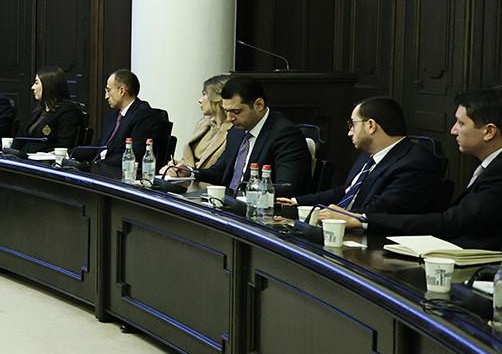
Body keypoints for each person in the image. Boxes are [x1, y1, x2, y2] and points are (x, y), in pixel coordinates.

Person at [319, 88, 502, 249]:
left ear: (489, 132)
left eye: (461, 123)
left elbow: (454, 221)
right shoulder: (490, 166)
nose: (453, 130)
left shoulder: (497, 171)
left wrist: (362, 220)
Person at [280, 97, 445, 214]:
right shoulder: (367, 155)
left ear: (371, 126)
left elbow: (380, 212)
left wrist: (337, 216)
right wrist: (296, 201)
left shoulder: (414, 163)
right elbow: (345, 191)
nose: (349, 132)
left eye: (353, 124)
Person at [167, 74, 312, 195]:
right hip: (228, 204)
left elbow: (287, 188)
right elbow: (220, 171)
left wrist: (243, 194)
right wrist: (190, 172)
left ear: (259, 105)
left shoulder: (285, 135)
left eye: (236, 111)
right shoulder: (236, 131)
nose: (229, 118)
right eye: (226, 111)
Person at [91, 69, 165, 163]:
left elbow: (135, 154)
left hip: (117, 169)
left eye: (108, 90)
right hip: (101, 166)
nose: (106, 96)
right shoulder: (113, 116)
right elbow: (98, 147)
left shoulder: (145, 116)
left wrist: (99, 163)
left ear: (122, 91)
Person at [19, 66, 84, 151]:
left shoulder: (69, 112)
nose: (33, 87)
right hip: (25, 155)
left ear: (48, 85)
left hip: (45, 158)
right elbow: (21, 137)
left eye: (36, 83)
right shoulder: (39, 109)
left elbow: (64, 146)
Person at [178, 73, 232, 171]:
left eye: (204, 94)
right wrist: (176, 166)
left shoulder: (234, 131)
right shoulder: (203, 124)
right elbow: (188, 162)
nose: (200, 100)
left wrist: (189, 171)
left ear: (218, 99)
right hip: (189, 178)